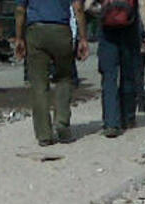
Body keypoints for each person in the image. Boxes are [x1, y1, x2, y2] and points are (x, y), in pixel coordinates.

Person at [15, 0, 89, 144]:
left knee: (38, 84)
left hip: (35, 30)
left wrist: (19, 38)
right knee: (64, 77)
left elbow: (20, 10)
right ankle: (62, 123)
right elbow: (78, 8)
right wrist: (83, 38)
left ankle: (44, 134)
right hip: (61, 30)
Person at [89, 0, 145, 137]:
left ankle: (111, 123)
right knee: (128, 73)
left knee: (109, 77)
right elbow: (143, 5)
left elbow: (88, 6)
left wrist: (104, 13)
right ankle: (128, 118)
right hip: (130, 29)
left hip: (107, 32)